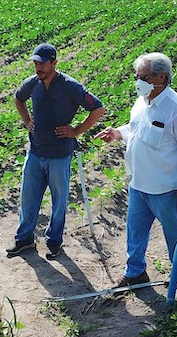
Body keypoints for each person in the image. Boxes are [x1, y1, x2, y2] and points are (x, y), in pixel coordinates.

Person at [95, 52, 177, 286]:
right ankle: (134, 272)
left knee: (173, 231)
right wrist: (117, 133)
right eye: (137, 76)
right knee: (135, 231)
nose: (138, 81)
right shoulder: (142, 102)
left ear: (161, 77)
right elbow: (135, 128)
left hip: (164, 186)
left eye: (143, 77)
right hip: (139, 183)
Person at [6, 43, 106, 260]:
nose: (38, 68)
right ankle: (24, 240)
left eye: (42, 63)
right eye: (35, 63)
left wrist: (76, 131)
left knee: (58, 201)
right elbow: (18, 98)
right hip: (35, 152)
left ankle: (54, 242)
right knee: (28, 198)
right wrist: (27, 121)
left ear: (54, 63)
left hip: (59, 155)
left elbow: (98, 109)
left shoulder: (70, 86)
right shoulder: (33, 83)